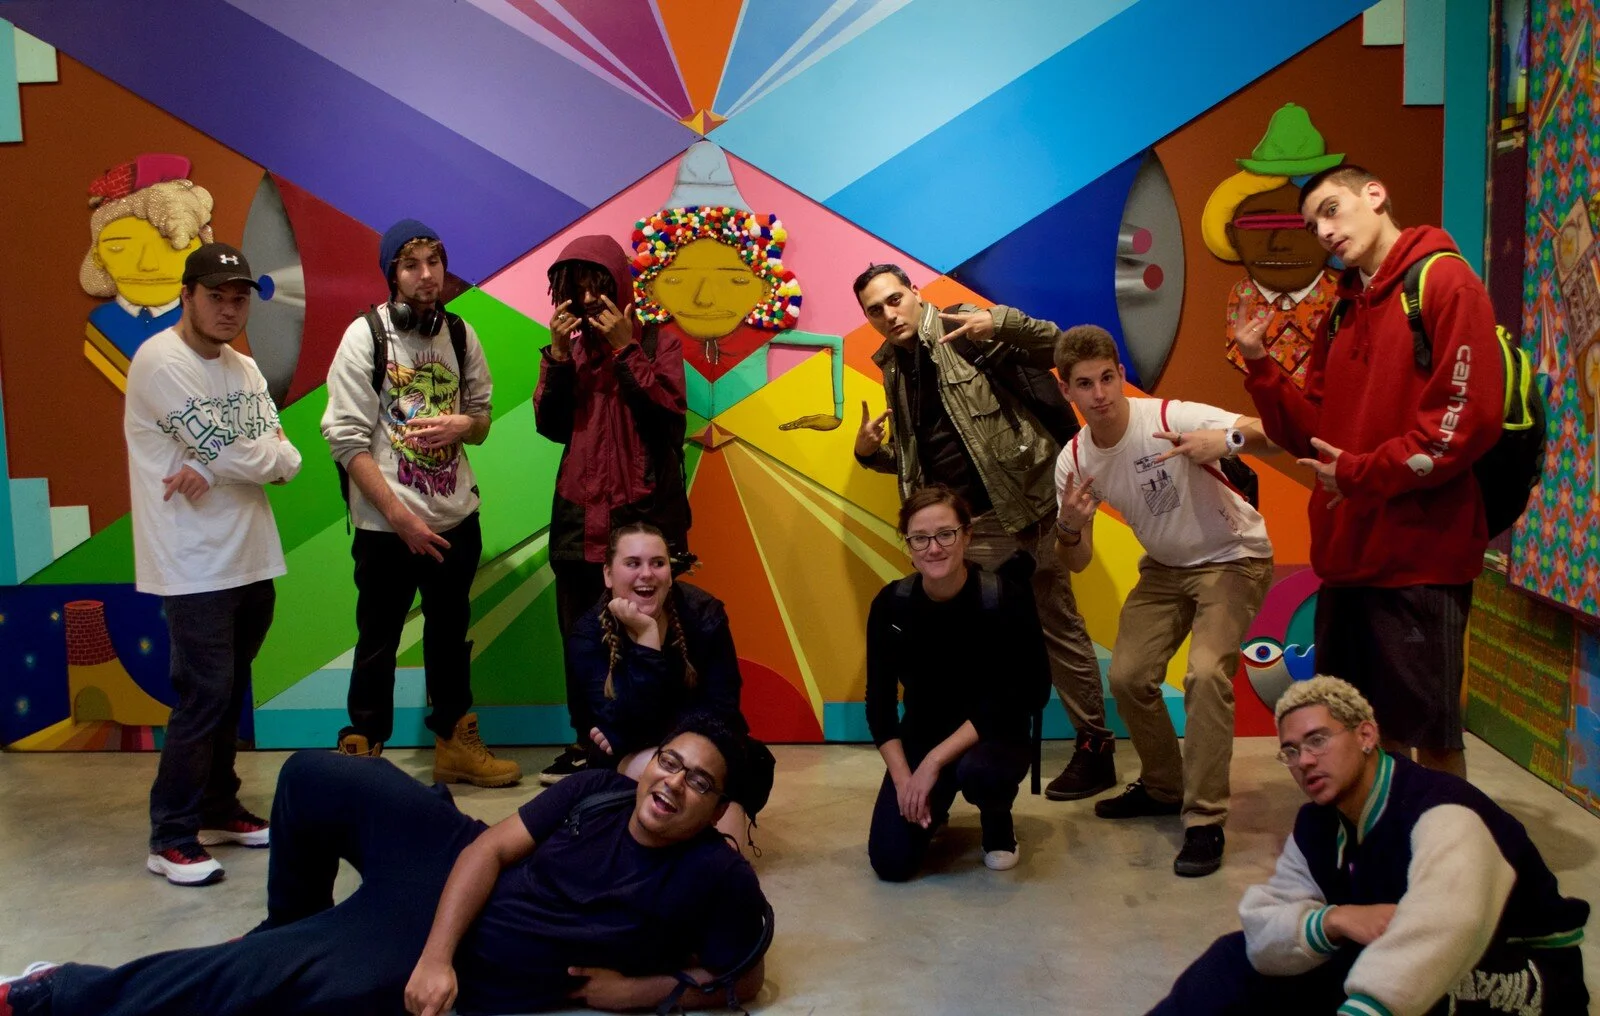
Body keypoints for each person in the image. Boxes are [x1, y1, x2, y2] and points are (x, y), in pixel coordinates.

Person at [0, 714, 771, 1016]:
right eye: (670, 762)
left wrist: (642, 992)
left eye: (699, 782)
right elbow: (489, 847)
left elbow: (747, 978)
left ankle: (51, 994)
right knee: (314, 775)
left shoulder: (716, 875)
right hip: (453, 867)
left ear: (719, 810)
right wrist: (436, 956)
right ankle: (290, 924)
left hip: (475, 943)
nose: (672, 784)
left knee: (249, 980)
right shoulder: (602, 790)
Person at [1241, 165, 1506, 778]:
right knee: (1363, 734)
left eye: (1332, 210)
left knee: (1431, 739)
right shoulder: (1342, 309)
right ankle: (1383, 837)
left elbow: (1464, 421)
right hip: (1347, 559)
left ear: (1376, 194)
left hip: (1419, 559)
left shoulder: (1444, 281)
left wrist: (1361, 474)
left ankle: (1438, 841)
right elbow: (1312, 433)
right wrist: (1261, 368)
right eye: (1314, 225)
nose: (1325, 232)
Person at [1151, 677, 1590, 1015]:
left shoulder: (1442, 810)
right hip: (1403, 949)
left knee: (1406, 986)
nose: (1304, 761)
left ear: (1366, 736)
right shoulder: (1318, 823)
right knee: (1236, 958)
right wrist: (1333, 919)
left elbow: (1447, 928)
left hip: (1521, 968)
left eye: (1318, 740)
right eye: (1291, 751)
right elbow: (1265, 926)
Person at [851, 263, 1114, 802]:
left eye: (895, 299)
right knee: (965, 638)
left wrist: (1001, 323)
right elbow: (928, 451)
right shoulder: (894, 366)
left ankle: (1095, 746)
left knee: (1055, 625)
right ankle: (974, 747)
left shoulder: (965, 326)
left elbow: (1061, 348)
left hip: (1019, 509)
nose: (889, 315)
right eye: (875, 310)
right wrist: (870, 455)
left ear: (915, 291)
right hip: (957, 528)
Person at [1053, 324, 1275, 877]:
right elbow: (1076, 562)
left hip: (1234, 557)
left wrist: (1226, 441)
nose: (1100, 394)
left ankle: (1204, 819)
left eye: (1108, 378)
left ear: (1121, 375)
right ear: (1066, 391)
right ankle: (1162, 786)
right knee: (1128, 677)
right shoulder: (1074, 461)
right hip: (1165, 569)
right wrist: (1069, 528)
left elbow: (1273, 432)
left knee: (1205, 674)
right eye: (1085, 384)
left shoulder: (1171, 417)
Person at [122, 242, 301, 887]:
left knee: (228, 694)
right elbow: (251, 454)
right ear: (187, 295)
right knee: (203, 697)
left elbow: (288, 458)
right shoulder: (159, 361)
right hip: (193, 561)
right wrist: (224, 457)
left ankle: (219, 807)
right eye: (216, 296)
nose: (229, 309)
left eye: (238, 298)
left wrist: (209, 462)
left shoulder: (244, 367)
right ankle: (170, 835)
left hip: (251, 553)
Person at [321, 219, 518, 786]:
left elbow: (481, 418)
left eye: (434, 262)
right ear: (393, 275)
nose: (426, 275)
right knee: (378, 637)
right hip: (388, 525)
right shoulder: (366, 337)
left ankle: (455, 742)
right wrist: (398, 516)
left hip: (455, 517)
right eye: (412, 265)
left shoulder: (460, 334)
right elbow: (344, 440)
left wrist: (464, 424)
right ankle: (364, 747)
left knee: (450, 635)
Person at [534, 235, 691, 786]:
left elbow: (670, 423)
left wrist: (628, 352)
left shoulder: (657, 342)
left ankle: (649, 743)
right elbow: (551, 426)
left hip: (642, 517)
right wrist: (557, 358)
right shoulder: (570, 354)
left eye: (595, 286)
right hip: (578, 518)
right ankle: (588, 744)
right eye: (574, 288)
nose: (585, 299)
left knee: (651, 633)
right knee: (580, 637)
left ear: (619, 286)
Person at [865, 485, 1047, 880]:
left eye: (945, 534)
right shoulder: (891, 604)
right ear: (908, 544)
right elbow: (878, 704)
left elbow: (1031, 691)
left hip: (992, 737)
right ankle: (935, 804)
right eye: (920, 538)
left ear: (967, 535)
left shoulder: (1004, 597)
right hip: (924, 731)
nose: (934, 548)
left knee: (982, 772)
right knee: (891, 863)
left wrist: (933, 762)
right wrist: (905, 780)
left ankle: (997, 820)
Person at [568, 522, 756, 845]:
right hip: (627, 759)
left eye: (658, 563)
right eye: (632, 563)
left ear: (670, 573)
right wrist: (647, 638)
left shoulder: (705, 615)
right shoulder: (587, 634)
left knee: (712, 791)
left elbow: (722, 711)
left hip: (706, 750)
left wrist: (631, 730)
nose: (647, 574)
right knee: (662, 773)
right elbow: (610, 723)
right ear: (608, 574)